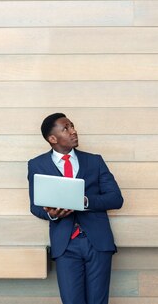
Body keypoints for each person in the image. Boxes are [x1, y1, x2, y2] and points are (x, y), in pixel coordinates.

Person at [28, 113, 124, 304]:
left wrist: (85, 201)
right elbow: (35, 206)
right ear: (52, 139)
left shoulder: (95, 161)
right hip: (65, 245)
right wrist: (51, 214)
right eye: (66, 128)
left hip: (97, 242)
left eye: (72, 126)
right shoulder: (37, 165)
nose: (73, 131)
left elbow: (116, 199)